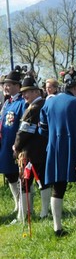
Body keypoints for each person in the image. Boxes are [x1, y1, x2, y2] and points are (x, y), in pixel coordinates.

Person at [40, 68, 76, 237]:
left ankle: (57, 227)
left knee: (57, 188)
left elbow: (42, 129)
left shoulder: (48, 102)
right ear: (75, 87)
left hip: (54, 148)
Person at [12, 77, 50, 222]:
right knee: (43, 181)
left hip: (30, 152)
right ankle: (44, 212)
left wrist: (16, 147)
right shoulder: (45, 104)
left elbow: (24, 131)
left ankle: (23, 215)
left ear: (36, 91)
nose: (24, 96)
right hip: (43, 150)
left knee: (25, 182)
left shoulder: (33, 108)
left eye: (27, 92)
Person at [1, 70, 27, 222]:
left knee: (19, 176)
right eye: (5, 84)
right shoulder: (7, 103)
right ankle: (17, 203)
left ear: (17, 86)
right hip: (5, 144)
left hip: (16, 145)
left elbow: (23, 126)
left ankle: (23, 206)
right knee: (9, 174)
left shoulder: (22, 103)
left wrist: (20, 146)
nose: (6, 87)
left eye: (9, 84)